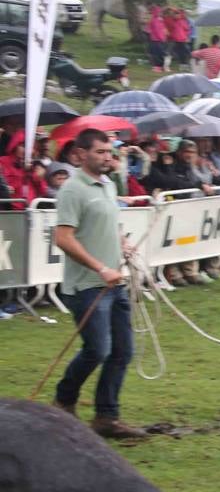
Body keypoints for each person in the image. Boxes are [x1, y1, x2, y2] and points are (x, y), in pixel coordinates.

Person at [51, 130, 147, 439]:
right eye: (101, 151)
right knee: (98, 349)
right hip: (87, 286)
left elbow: (106, 223)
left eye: (110, 151)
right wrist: (101, 267)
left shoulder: (106, 185)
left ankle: (107, 417)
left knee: (122, 351)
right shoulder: (72, 190)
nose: (109, 156)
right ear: (81, 154)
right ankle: (63, 402)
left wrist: (121, 244)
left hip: (113, 283)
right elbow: (63, 238)